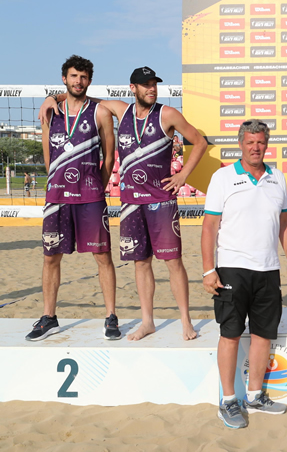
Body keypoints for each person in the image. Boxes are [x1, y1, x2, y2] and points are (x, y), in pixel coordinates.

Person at [40, 66, 208, 341]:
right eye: (145, 85)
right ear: (133, 89)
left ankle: (186, 321)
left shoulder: (167, 114)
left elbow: (199, 142)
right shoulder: (120, 109)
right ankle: (147, 322)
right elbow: (78, 96)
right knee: (141, 263)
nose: (151, 89)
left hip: (161, 201)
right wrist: (53, 99)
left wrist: (183, 174)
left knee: (173, 262)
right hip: (130, 202)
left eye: (154, 84)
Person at [201, 119, 287, 429]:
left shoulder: (277, 178)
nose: (256, 147)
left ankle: (255, 396)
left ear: (266, 144)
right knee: (230, 334)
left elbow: (285, 223)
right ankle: (228, 400)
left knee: (262, 335)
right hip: (232, 267)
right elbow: (209, 226)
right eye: (250, 142)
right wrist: (208, 269)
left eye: (261, 142)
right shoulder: (223, 177)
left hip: (268, 269)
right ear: (240, 144)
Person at [27, 55, 118, 341]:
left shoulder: (100, 112)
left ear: (89, 81)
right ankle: (49, 316)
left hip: (90, 197)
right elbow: (47, 155)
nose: (79, 81)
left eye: (84, 77)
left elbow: (109, 156)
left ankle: (111, 316)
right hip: (57, 197)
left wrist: (96, 188)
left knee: (102, 256)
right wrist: (55, 182)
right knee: (50, 257)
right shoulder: (51, 113)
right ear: (64, 78)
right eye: (74, 76)